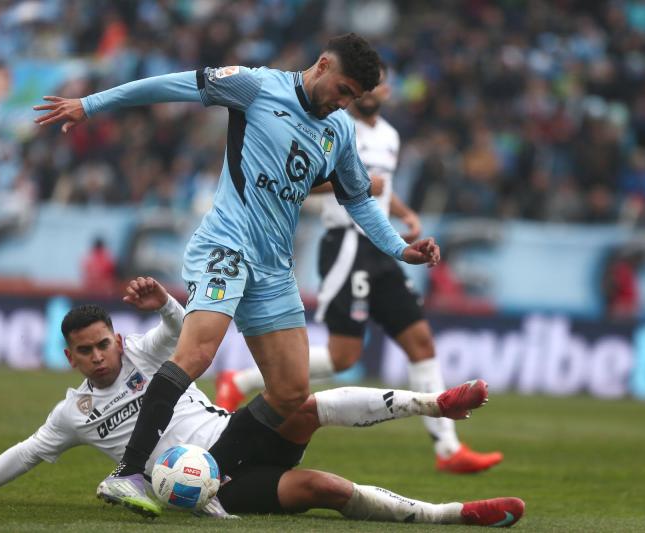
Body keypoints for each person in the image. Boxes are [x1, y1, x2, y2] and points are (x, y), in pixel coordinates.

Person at [33, 32, 441, 516]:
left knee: (291, 392)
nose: (345, 102)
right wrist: (91, 103)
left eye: (355, 98)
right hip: (225, 245)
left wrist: (399, 248)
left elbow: (357, 198)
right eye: (345, 89)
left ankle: (206, 477)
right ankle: (128, 474)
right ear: (323, 64)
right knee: (198, 351)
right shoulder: (253, 87)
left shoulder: (340, 134)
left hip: (273, 268)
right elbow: (170, 85)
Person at [0, 276, 525, 527]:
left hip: (232, 435)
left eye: (103, 344)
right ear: (71, 357)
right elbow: (26, 453)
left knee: (301, 403)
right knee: (328, 491)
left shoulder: (142, 352)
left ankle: (434, 404)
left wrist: (161, 297)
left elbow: (182, 323)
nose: (99, 357)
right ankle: (454, 515)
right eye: (85, 351)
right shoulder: (72, 415)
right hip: (213, 487)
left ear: (116, 339)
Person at [215, 66, 502, 474]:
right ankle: (240, 381)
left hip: (382, 250)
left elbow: (381, 187)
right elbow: (300, 178)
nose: (372, 90)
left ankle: (448, 450)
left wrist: (404, 213)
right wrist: (354, 186)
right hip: (347, 244)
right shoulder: (333, 124)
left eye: (380, 83)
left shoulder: (389, 135)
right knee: (343, 355)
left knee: (421, 341)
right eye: (365, 84)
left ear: (386, 90)